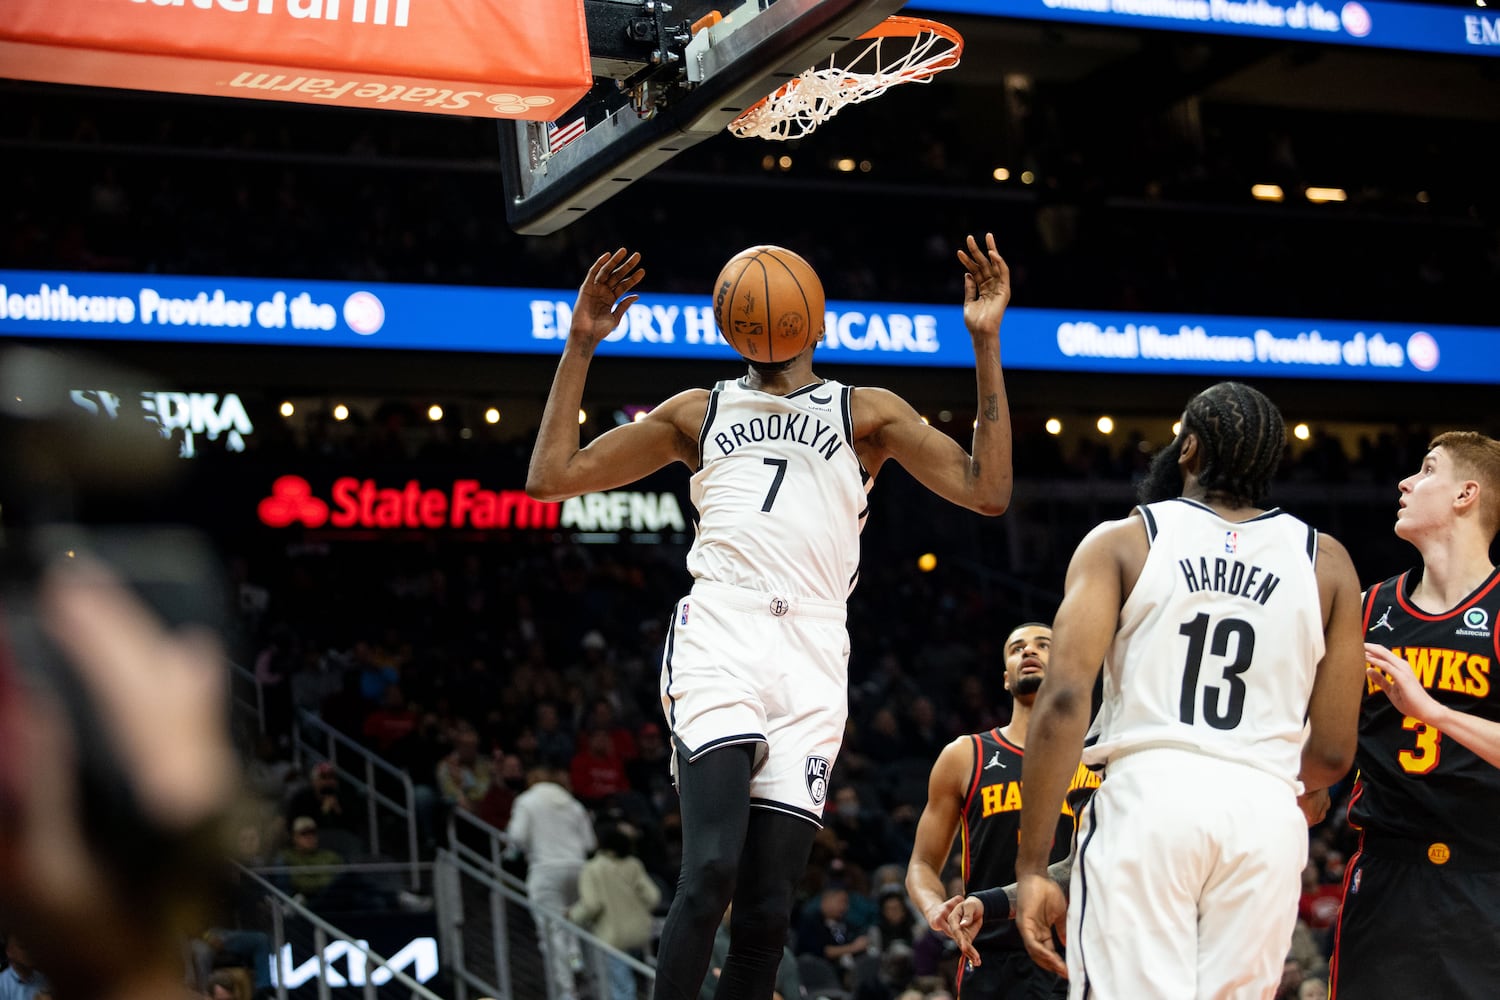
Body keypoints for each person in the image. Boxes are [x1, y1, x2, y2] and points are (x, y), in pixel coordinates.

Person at [526, 235, 1015, 1000]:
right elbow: (553, 476)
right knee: (712, 868)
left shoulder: (866, 412)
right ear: (732, 322)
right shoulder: (698, 410)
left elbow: (988, 490)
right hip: (725, 630)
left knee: (764, 913)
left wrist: (985, 341)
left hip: (816, 648)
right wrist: (580, 344)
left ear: (816, 321)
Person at [1009, 382, 1366, 997]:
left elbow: (1065, 700)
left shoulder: (1123, 540)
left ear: (1189, 449)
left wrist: (1033, 866)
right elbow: (1334, 752)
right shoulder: (1327, 561)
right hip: (1265, 812)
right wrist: (1290, 780)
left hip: (1153, 796)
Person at [1328, 431, 1500, 999]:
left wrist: (1431, 710)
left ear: (1466, 494)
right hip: (1385, 875)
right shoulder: (1368, 608)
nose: (1405, 482)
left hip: (1487, 878)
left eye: (1427, 470)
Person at [905, 624, 1099, 1000]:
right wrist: (934, 909)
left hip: (1078, 952)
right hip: (991, 956)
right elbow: (922, 864)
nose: (1029, 651)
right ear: (1006, 679)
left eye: (1044, 645)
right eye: (1017, 648)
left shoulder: (1097, 760)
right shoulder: (965, 756)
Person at [507, 767, 597, 1000]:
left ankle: (566, 993)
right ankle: (576, 962)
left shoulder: (527, 801)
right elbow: (589, 843)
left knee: (552, 932)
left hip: (546, 871)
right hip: (577, 869)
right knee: (571, 926)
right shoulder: (572, 803)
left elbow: (516, 836)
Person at [569, 823, 662, 1000]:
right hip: (640, 933)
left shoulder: (592, 868)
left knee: (621, 987)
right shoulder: (633, 864)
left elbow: (591, 905)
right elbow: (653, 897)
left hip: (612, 937)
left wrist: (572, 916)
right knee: (648, 980)